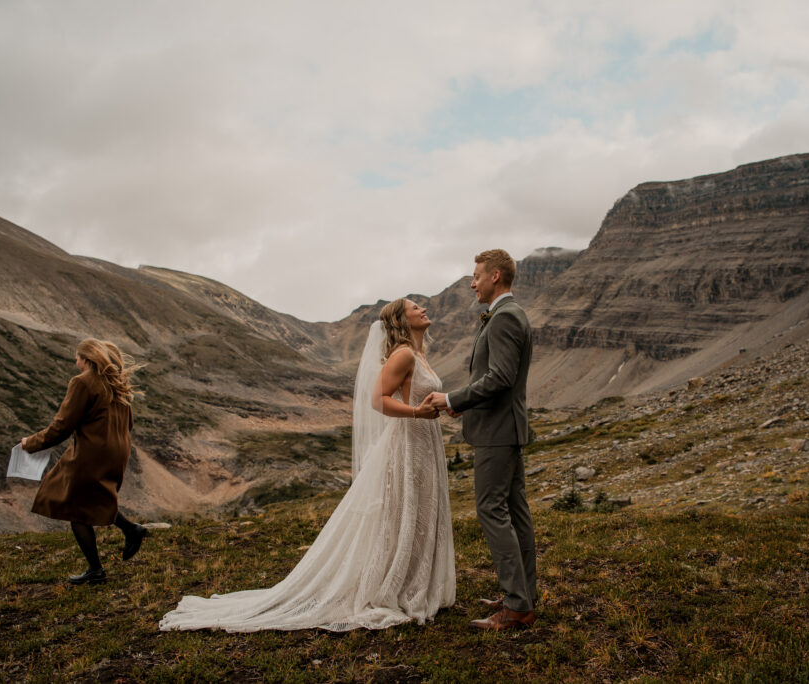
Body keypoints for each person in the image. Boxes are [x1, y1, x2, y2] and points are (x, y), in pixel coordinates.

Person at [159, 299, 455, 632]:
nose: (424, 308)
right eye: (416, 306)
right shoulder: (402, 354)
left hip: (425, 441)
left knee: (421, 509)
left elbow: (420, 395)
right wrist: (416, 413)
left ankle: (415, 582)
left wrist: (442, 407)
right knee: (403, 511)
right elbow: (378, 399)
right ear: (403, 318)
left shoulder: (419, 354)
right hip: (408, 443)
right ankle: (395, 585)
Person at [427, 249, 537, 631]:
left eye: (476, 276)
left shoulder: (505, 318)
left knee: (492, 511)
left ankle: (516, 605)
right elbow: (494, 377)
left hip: (498, 432)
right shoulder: (509, 314)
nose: (472, 283)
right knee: (515, 511)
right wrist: (464, 405)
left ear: (495, 276)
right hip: (503, 427)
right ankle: (523, 594)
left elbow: (501, 377)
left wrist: (453, 399)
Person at [22, 338, 148, 585]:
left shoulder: (82, 382)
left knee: (75, 507)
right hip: (118, 449)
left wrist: (31, 443)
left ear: (87, 359)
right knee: (95, 498)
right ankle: (131, 530)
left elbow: (62, 425)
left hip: (93, 452)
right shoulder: (116, 382)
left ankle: (96, 570)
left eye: (77, 358)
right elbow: (129, 422)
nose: (76, 363)